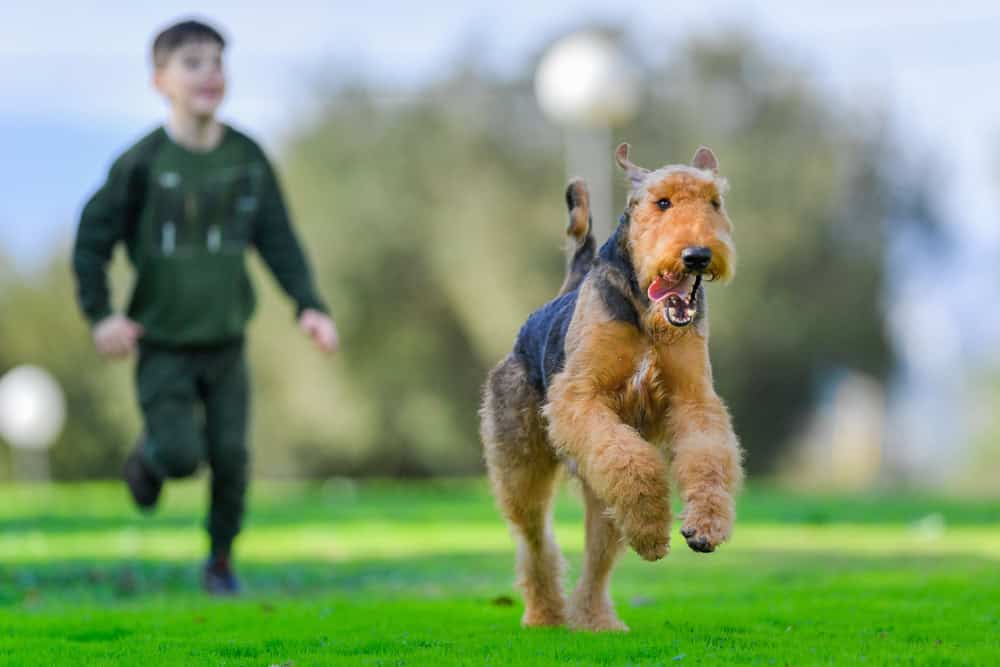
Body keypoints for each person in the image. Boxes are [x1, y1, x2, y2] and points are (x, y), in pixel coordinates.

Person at [72, 18, 338, 595]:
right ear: (160, 80)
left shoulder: (246, 158)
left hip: (225, 341)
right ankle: (147, 461)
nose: (210, 74)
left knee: (232, 456)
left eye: (218, 62)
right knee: (179, 454)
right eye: (193, 63)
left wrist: (308, 306)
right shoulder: (140, 164)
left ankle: (220, 563)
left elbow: (278, 239)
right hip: (161, 341)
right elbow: (91, 239)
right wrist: (102, 315)